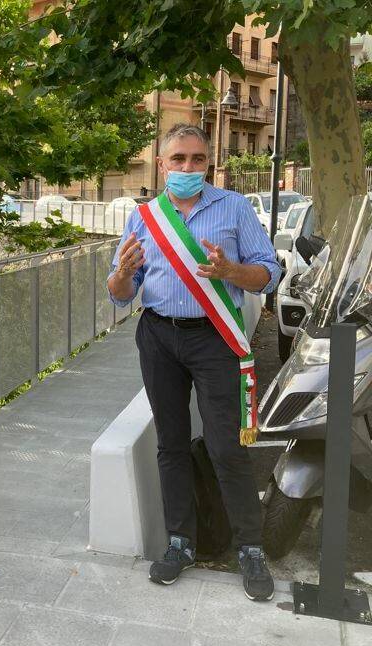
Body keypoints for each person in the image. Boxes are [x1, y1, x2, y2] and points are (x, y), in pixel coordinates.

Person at [107, 124, 281, 602]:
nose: (188, 168)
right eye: (178, 158)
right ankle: (180, 542)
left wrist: (231, 272)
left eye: (198, 159)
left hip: (214, 338)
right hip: (159, 335)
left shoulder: (234, 208)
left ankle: (249, 547)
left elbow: (269, 273)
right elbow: (122, 294)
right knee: (171, 443)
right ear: (161, 164)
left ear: (209, 163)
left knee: (227, 447)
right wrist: (122, 274)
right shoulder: (145, 217)